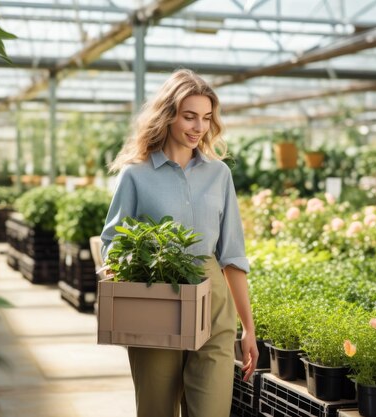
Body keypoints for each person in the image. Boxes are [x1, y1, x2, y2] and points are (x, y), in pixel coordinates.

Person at [100, 69, 258, 417]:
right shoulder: (136, 174)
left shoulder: (220, 174)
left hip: (213, 298)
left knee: (211, 410)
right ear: (168, 115)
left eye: (206, 118)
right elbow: (111, 241)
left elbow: (232, 254)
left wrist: (248, 328)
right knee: (157, 408)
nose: (199, 127)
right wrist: (128, 276)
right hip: (157, 294)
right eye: (189, 116)